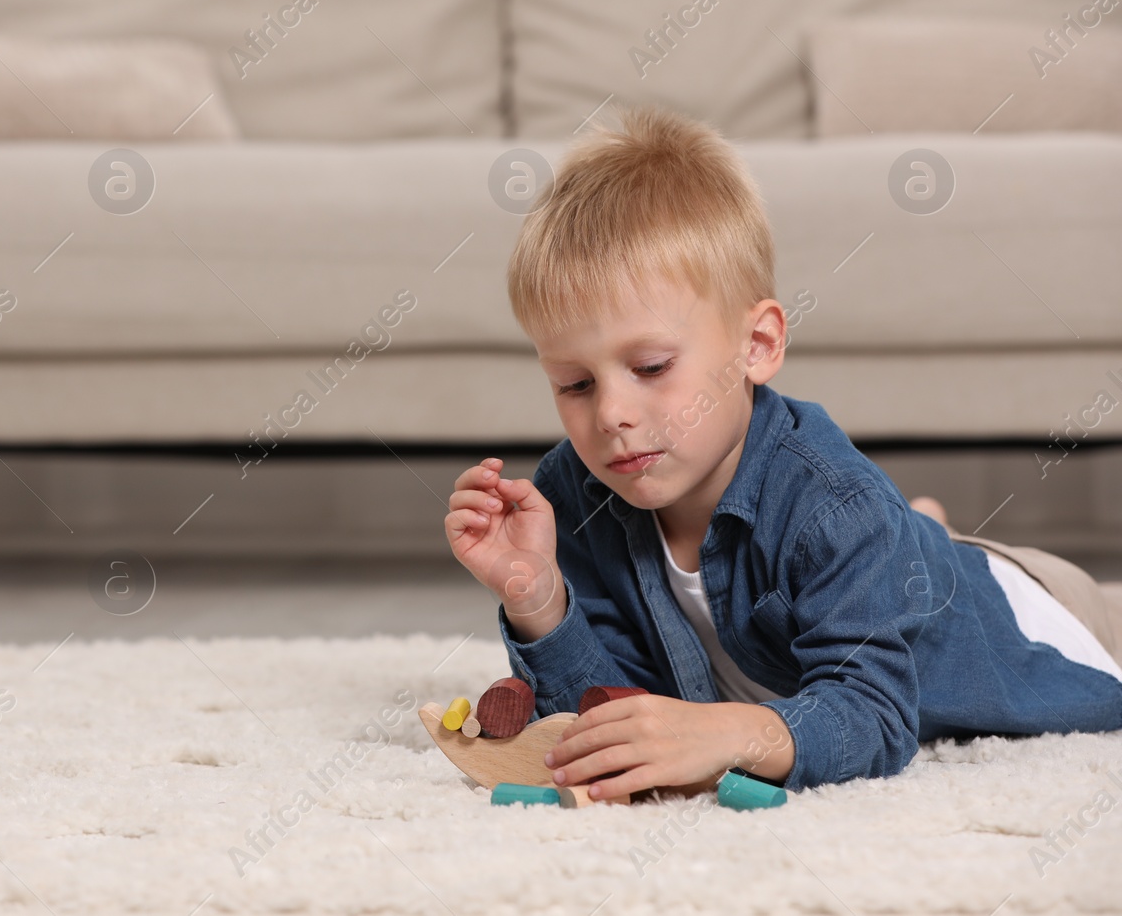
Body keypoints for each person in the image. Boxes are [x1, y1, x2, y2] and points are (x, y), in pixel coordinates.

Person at [444, 107, 1122, 799]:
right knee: (888, 549)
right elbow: (605, 716)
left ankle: (931, 538)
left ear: (758, 347)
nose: (611, 414)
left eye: (650, 367)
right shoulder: (578, 492)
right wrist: (539, 600)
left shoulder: (830, 504)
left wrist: (733, 732)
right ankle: (923, 527)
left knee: (913, 559)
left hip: (1031, 608)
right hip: (883, 549)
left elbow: (876, 713)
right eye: (575, 383)